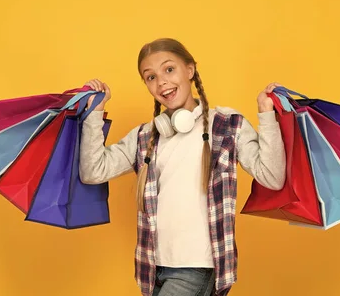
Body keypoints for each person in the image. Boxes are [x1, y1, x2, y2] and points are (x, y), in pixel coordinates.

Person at [79, 38, 286, 296]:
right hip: (154, 268)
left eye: (169, 69)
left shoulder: (226, 125)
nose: (162, 82)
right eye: (151, 77)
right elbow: (93, 171)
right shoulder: (145, 136)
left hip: (197, 266)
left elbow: (272, 177)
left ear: (190, 70)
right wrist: (94, 114)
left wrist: (267, 115)